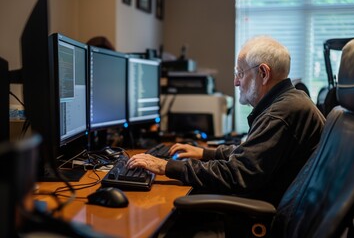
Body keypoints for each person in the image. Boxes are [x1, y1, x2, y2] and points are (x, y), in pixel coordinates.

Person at [127, 36, 326, 206]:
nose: (236, 82)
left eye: (240, 73)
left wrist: (166, 166)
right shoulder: (290, 101)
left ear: (263, 74)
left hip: (259, 218)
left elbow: (236, 174)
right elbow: (252, 154)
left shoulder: (280, 114)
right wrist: (205, 152)